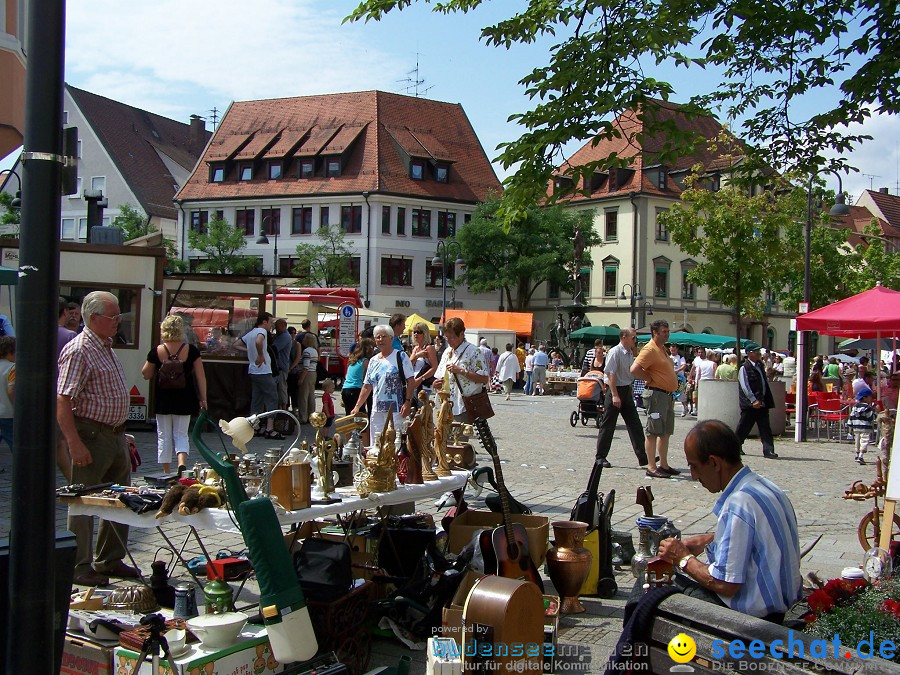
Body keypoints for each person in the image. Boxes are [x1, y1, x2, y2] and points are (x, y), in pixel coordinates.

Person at [657, 420, 802, 622]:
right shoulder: (767, 488)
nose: (693, 476)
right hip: (779, 606)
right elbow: (754, 536)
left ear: (715, 463)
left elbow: (725, 584)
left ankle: (631, 652)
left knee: (654, 589)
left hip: (751, 620)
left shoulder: (738, 503)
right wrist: (708, 541)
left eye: (695, 467)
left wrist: (682, 558)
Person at [58, 291, 138, 586]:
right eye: (113, 316)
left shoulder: (104, 346)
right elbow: (63, 400)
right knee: (82, 501)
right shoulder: (79, 349)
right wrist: (74, 443)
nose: (118, 321)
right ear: (94, 319)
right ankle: (79, 565)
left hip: (112, 435)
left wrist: (120, 430)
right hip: (91, 435)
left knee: (120, 500)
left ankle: (109, 559)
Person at [141, 314, 207, 474]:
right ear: (181, 330)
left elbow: (146, 374)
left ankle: (166, 471)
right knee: (181, 434)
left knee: (164, 435)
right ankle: (181, 464)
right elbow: (200, 376)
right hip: (185, 397)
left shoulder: (157, 351)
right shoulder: (191, 350)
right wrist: (203, 399)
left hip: (163, 398)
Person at [631, 320, 679, 479]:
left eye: (667, 331)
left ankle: (663, 465)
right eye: (664, 331)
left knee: (665, 432)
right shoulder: (650, 349)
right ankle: (651, 466)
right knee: (652, 431)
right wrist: (649, 378)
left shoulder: (662, 349)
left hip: (666, 395)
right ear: (655, 333)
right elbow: (635, 369)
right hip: (656, 395)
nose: (667, 334)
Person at [595, 328, 647, 469]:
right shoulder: (615, 352)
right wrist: (615, 395)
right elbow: (610, 373)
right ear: (624, 337)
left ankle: (644, 457)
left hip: (626, 390)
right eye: (633, 338)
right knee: (608, 425)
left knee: (635, 424)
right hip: (615, 390)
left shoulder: (629, 352)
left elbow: (631, 371)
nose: (634, 340)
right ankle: (601, 457)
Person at [350, 324, 414, 439]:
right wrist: (357, 406)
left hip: (396, 409)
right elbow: (367, 385)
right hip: (377, 409)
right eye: (378, 337)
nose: (381, 340)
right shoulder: (373, 360)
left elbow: (411, 380)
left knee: (395, 442)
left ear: (391, 338)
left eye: (384, 336)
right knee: (376, 443)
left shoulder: (401, 356)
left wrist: (408, 402)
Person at [433, 317, 491, 423]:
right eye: (447, 338)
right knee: (442, 438)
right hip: (445, 404)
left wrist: (462, 371)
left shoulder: (473, 351)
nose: (449, 341)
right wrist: (436, 383)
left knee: (458, 439)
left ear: (462, 334)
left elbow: (484, 379)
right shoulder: (447, 352)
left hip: (462, 405)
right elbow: (439, 375)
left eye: (452, 338)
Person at [241, 312, 282, 439]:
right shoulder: (262, 331)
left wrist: (250, 351)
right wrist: (260, 355)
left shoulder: (251, 332)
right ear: (264, 322)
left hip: (253, 370)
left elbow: (236, 344)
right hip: (263, 371)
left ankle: (256, 427)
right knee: (272, 397)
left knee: (256, 399)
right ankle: (270, 428)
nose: (271, 325)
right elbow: (259, 341)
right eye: (270, 322)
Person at [736, 342, 778, 459]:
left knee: (765, 428)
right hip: (750, 404)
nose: (758, 354)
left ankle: (768, 450)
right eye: (756, 352)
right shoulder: (744, 367)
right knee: (744, 427)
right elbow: (745, 386)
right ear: (749, 354)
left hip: (762, 403)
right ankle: (735, 446)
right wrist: (753, 400)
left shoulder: (760, 365)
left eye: (758, 351)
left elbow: (763, 383)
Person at [56, 300, 78, 481]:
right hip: (63, 396)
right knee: (63, 441)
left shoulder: (34, 332)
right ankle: (73, 479)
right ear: (64, 312)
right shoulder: (70, 336)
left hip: (37, 398)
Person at [342, 338, 374, 416]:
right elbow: (369, 377)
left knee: (349, 415)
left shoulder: (353, 359)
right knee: (360, 415)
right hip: (356, 389)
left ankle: (349, 428)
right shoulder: (365, 361)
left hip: (346, 388)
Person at [409, 322, 438, 404]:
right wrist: (417, 356)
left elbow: (434, 367)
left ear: (425, 333)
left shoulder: (429, 348)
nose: (416, 334)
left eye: (419, 332)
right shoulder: (415, 348)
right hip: (413, 384)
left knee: (422, 412)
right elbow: (408, 365)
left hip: (424, 386)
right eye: (414, 332)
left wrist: (421, 379)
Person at [847, 386, 877, 465]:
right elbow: (871, 417)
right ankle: (861, 455)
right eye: (870, 397)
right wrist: (875, 413)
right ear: (865, 398)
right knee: (864, 441)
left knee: (857, 441)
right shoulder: (867, 407)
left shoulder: (855, 407)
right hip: (865, 427)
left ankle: (856, 454)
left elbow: (851, 416)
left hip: (856, 427)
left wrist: (850, 425)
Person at [297, 333, 318, 424]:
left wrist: (301, 378)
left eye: (305, 339)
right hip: (313, 373)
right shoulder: (315, 351)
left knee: (303, 396)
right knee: (311, 395)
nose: (303, 340)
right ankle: (311, 415)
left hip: (307, 373)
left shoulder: (306, 351)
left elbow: (306, 366)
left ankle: (303, 417)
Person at [689, 346, 716, 415]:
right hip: (703, 381)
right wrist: (690, 377)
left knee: (703, 396)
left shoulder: (705, 362)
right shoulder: (697, 359)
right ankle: (697, 409)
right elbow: (693, 369)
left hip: (702, 380)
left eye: (701, 352)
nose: (700, 354)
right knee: (697, 396)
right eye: (699, 352)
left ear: (705, 353)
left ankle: (703, 409)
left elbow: (699, 373)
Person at [272, 319, 293, 409]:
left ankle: (283, 408)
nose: (276, 329)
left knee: (281, 389)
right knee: (279, 389)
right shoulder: (281, 335)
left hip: (281, 367)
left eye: (277, 327)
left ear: (283, 326)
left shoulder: (285, 336)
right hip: (280, 367)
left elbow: (274, 348)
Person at [0, 336, 15, 456]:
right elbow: (11, 390)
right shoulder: (12, 368)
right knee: (15, 444)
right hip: (9, 413)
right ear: (11, 352)